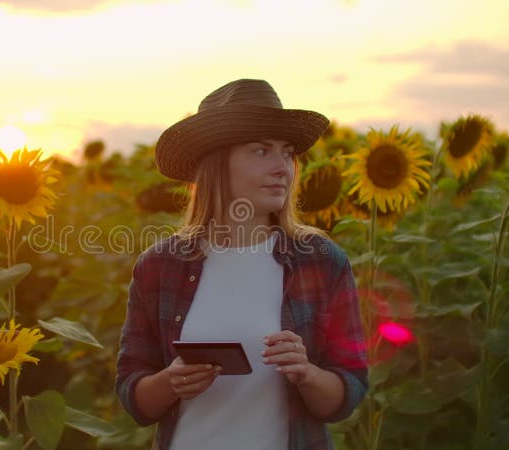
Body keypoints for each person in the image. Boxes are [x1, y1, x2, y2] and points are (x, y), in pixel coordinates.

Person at [115, 79, 368, 450]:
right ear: (217, 163)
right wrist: (171, 381)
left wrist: (307, 374)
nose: (283, 167)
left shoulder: (322, 262)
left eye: (288, 152)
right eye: (261, 151)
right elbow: (132, 395)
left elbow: (349, 391)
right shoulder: (159, 266)